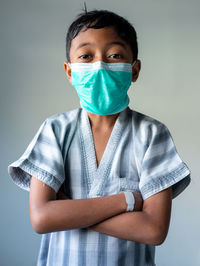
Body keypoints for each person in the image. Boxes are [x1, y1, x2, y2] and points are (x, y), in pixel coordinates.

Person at [8, 8, 191, 266]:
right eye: (85, 56)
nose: (100, 65)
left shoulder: (151, 135)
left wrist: (69, 211)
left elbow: (153, 230)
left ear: (134, 69)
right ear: (69, 72)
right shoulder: (55, 131)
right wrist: (126, 201)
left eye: (115, 55)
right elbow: (42, 219)